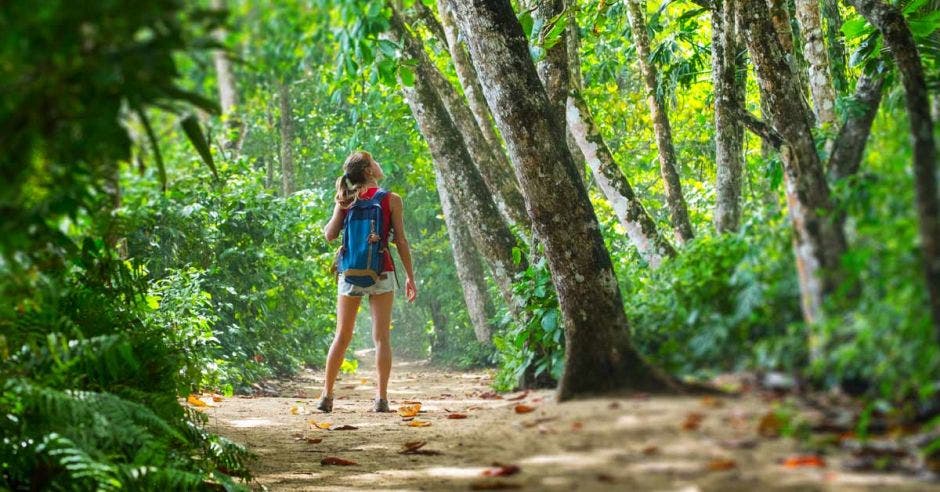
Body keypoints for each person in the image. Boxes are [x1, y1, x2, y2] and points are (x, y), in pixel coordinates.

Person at [318, 151, 417, 413]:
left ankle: (326, 397)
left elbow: (329, 235)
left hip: (350, 272)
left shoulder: (346, 199)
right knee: (381, 338)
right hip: (381, 271)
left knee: (342, 336)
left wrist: (339, 205)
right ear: (370, 172)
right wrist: (410, 276)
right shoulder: (391, 200)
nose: (379, 164)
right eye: (375, 162)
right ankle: (381, 399)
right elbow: (401, 241)